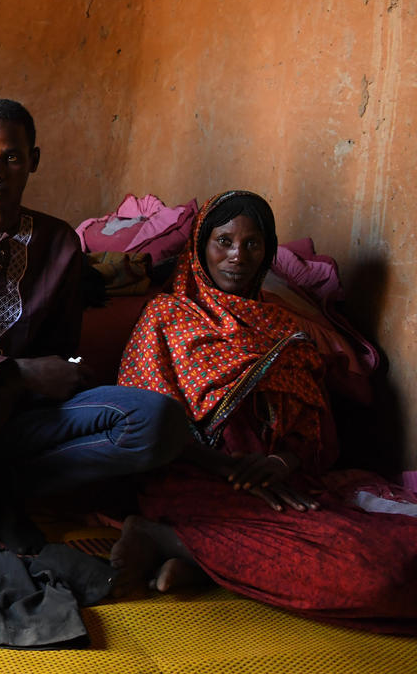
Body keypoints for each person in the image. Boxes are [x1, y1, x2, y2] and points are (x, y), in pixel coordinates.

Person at [0, 99, 188, 567]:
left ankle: (9, 489)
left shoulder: (60, 243)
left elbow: (61, 360)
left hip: (18, 425)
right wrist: (12, 372)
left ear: (34, 161)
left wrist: (46, 379)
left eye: (12, 157)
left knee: (159, 421)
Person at [111, 190, 417, 633]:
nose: (238, 256)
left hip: (283, 485)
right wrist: (229, 469)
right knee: (377, 576)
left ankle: (196, 559)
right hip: (194, 486)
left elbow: (316, 429)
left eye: (253, 244)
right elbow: (142, 420)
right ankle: (164, 536)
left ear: (267, 252)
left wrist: (279, 462)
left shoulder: (283, 327)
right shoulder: (166, 317)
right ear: (201, 247)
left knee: (404, 554)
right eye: (224, 241)